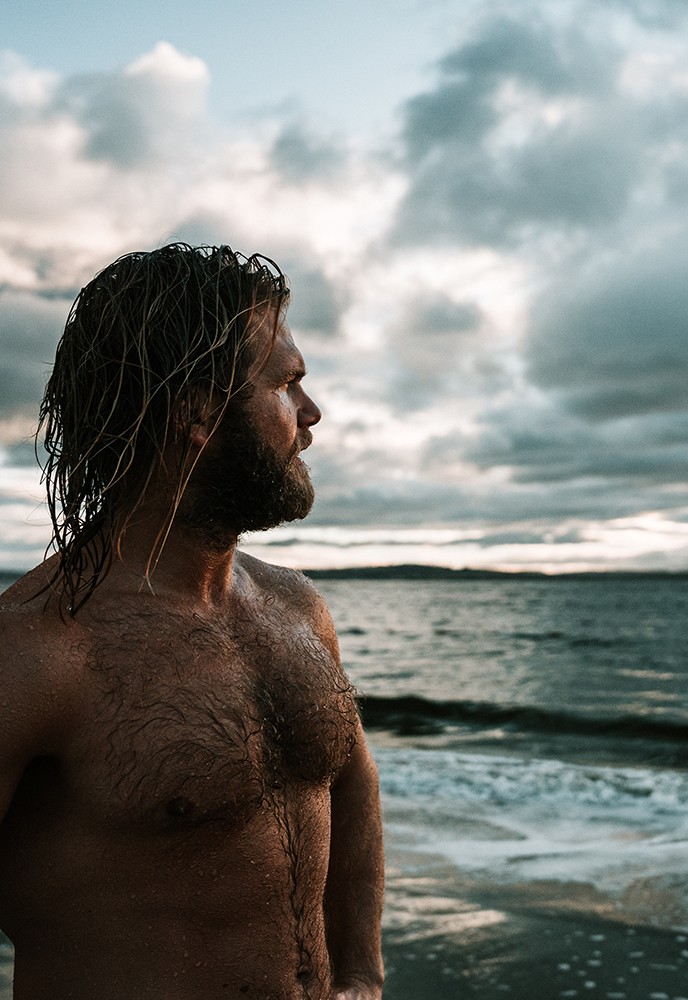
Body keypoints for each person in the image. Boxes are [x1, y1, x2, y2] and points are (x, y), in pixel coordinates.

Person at [0, 244, 385, 999]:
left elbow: (351, 780)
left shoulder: (295, 609)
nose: (311, 415)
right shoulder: (36, 655)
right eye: (288, 385)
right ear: (198, 413)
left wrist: (363, 975)